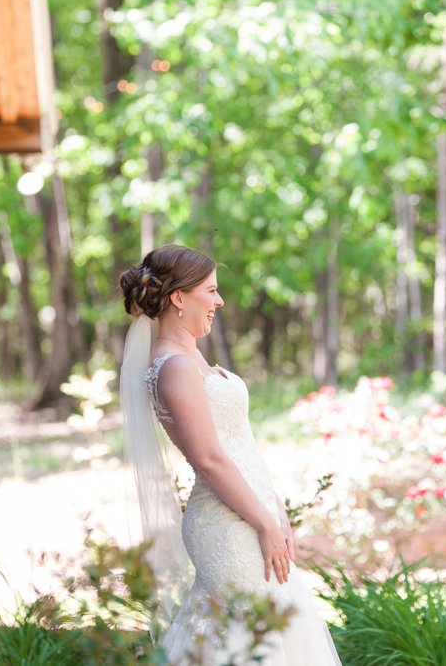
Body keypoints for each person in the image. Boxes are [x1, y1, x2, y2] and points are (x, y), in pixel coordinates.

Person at [118, 244, 341, 664]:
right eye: (210, 290)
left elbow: (238, 441)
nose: (219, 301)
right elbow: (209, 459)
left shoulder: (190, 356)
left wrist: (273, 507)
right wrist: (264, 522)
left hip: (249, 512)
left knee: (270, 634)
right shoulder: (174, 366)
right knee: (251, 639)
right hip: (226, 525)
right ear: (178, 298)